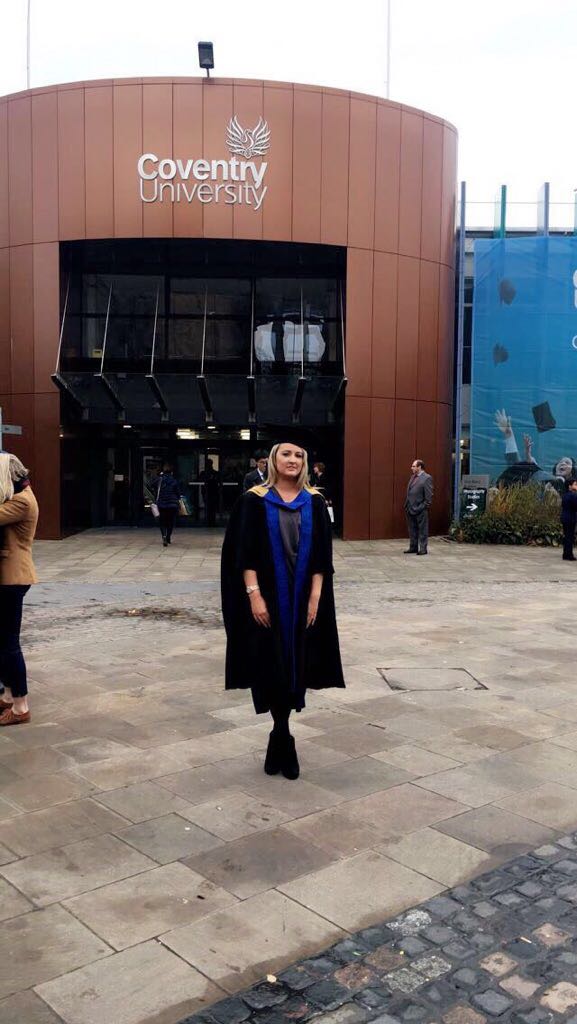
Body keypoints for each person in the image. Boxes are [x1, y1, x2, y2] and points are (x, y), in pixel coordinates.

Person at [221, 441, 345, 780]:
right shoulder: (254, 500)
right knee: (271, 664)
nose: (293, 460)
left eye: (299, 455)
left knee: (296, 665)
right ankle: (282, 736)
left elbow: (322, 556)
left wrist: (316, 598)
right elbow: (243, 553)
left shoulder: (314, 501)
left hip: (303, 598)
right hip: (268, 598)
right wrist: (254, 596)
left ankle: (281, 735)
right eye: (286, 454)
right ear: (273, 460)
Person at [0, 453, 39, 726]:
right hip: (8, 577)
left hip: (13, 577)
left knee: (9, 644)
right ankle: (9, 695)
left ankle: (20, 705)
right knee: (3, 641)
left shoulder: (22, 502)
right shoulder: (19, 496)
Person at [404, 459, 434, 555]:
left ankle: (423, 549)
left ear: (419, 467)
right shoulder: (413, 477)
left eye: (413, 466)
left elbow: (428, 497)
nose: (411, 468)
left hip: (420, 509)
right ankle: (413, 547)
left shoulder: (427, 478)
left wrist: (422, 507)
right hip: (410, 508)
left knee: (422, 530)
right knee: (412, 529)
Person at [152, 464, 180, 547]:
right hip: (172, 504)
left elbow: (152, 484)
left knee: (162, 521)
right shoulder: (174, 481)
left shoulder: (159, 480)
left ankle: (164, 536)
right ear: (172, 472)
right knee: (171, 522)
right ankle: (168, 537)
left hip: (162, 504)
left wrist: (159, 476)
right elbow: (178, 493)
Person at [199, 459, 220, 526]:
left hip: (211, 492)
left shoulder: (211, 473)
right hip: (209, 492)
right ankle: (210, 521)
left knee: (211, 507)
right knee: (211, 507)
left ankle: (210, 521)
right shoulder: (213, 473)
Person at [561, 478, 577, 561]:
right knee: (570, 537)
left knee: (567, 536)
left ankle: (565, 554)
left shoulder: (565, 495)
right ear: (570, 486)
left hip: (565, 517)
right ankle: (569, 555)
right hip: (570, 518)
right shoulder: (573, 495)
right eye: (575, 484)